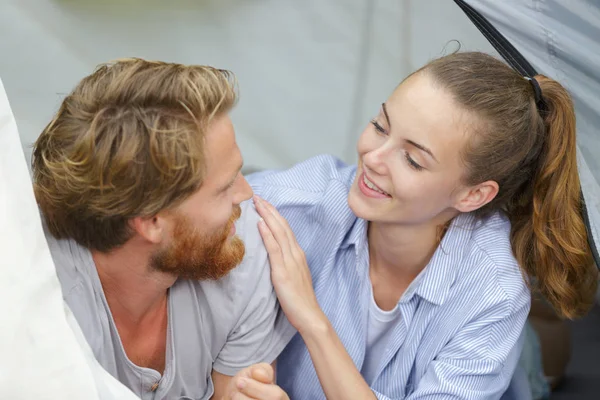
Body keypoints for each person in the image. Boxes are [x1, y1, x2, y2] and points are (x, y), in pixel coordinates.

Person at [235, 52, 598, 399]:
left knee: (539, 360)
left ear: (473, 195)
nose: (372, 158)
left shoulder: (494, 288)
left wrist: (311, 320)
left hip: (500, 367)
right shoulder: (297, 201)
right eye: (380, 126)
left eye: (411, 159)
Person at [31, 59, 295, 400]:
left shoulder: (248, 255)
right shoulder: (38, 295)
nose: (246, 194)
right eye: (225, 186)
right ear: (151, 222)